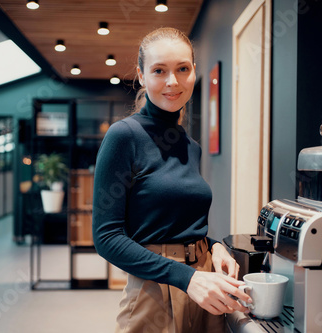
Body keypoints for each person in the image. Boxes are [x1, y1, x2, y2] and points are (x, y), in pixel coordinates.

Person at [92, 27, 251, 333]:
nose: (172, 81)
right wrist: (186, 278)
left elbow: (177, 223)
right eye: (159, 70)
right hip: (156, 291)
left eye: (182, 69)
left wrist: (214, 247)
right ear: (141, 75)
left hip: (207, 287)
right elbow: (106, 237)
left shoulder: (191, 146)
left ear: (194, 72)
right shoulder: (124, 136)